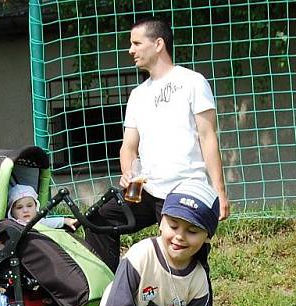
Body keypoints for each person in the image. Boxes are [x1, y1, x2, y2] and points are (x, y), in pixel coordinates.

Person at [85, 16, 230, 273]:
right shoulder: (138, 95)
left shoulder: (193, 82)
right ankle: (105, 299)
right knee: (98, 220)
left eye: (136, 43)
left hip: (183, 190)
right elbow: (128, 146)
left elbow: (208, 137)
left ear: (158, 43)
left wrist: (219, 191)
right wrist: (127, 170)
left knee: (182, 262)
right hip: (145, 191)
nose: (130, 50)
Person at [7, 184, 78, 230]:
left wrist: (65, 221)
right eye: (19, 207)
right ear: (12, 211)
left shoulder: (37, 222)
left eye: (29, 206)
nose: (25, 210)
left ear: (36, 206)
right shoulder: (11, 225)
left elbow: (50, 222)